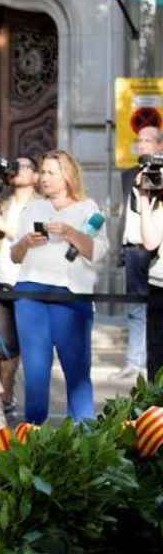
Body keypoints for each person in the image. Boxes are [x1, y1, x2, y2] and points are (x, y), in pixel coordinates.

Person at [10, 150, 108, 425]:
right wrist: (26, 242)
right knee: (36, 373)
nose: (44, 178)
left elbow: (97, 252)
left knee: (77, 372)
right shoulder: (33, 207)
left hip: (72, 295)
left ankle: (86, 439)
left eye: (51, 172)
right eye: (43, 172)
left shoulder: (88, 208)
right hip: (30, 294)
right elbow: (14, 256)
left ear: (67, 175)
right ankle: (32, 437)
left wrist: (69, 232)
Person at [0, 156, 38, 415]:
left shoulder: (42, 205)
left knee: (33, 344)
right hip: (1, 280)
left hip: (29, 280)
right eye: (16, 166)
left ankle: (35, 402)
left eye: (24, 166)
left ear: (36, 176)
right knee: (5, 345)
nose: (18, 170)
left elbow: (37, 238)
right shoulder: (2, 204)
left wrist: (3, 225)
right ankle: (6, 395)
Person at [114, 125, 163, 381]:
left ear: (159, 145)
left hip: (154, 255)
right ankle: (135, 361)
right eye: (139, 140)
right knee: (135, 307)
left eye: (148, 140)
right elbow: (126, 212)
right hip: (134, 246)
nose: (142, 145)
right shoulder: (128, 175)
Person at [137, 170, 163, 381]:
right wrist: (144, 197)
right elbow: (150, 242)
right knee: (157, 360)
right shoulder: (159, 205)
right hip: (159, 286)